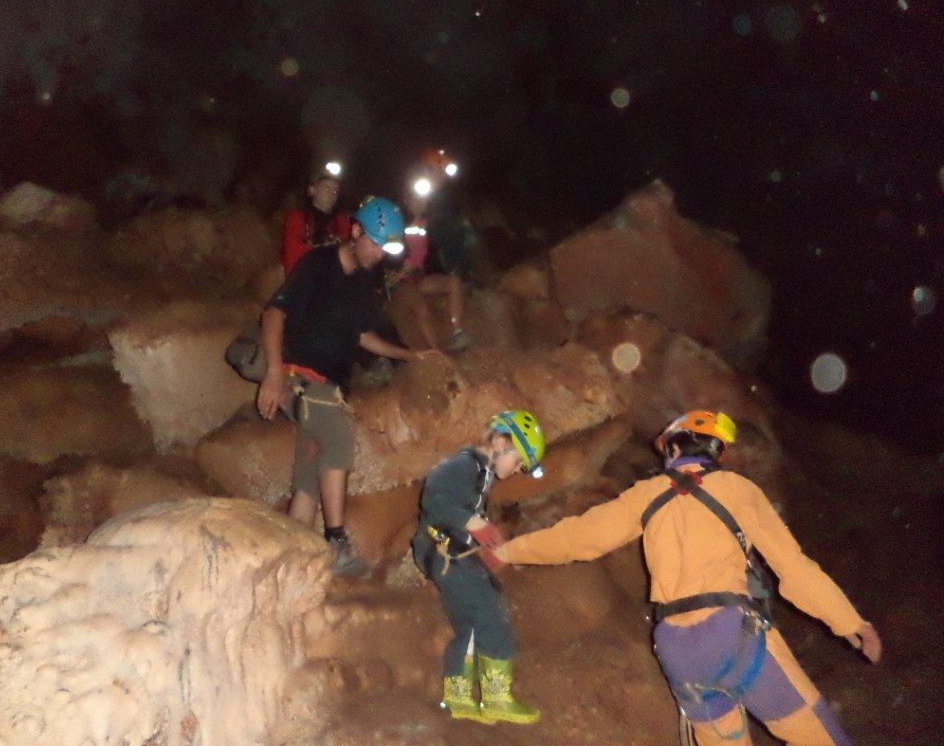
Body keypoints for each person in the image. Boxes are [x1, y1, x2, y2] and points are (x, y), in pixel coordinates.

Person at [492, 410, 882, 745]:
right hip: (733, 635)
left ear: (676, 448)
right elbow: (792, 568)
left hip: (677, 651)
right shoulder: (737, 489)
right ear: (714, 451)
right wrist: (847, 620)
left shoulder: (645, 494)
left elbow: (578, 538)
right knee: (819, 735)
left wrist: (508, 551)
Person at [258, 196, 428, 576]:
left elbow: (363, 335)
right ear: (354, 231)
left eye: (387, 247)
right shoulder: (318, 265)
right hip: (298, 376)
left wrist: (407, 355)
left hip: (330, 384)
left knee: (308, 477)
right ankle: (335, 541)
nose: (379, 253)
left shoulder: (367, 279)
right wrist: (272, 374)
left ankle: (290, 561)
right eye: (375, 242)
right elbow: (273, 313)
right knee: (339, 439)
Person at [412, 410, 546, 725]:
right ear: (500, 441)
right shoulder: (464, 465)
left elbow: (460, 514)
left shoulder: (480, 473)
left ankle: (457, 697)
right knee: (491, 615)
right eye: (518, 462)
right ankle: (497, 697)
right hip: (443, 555)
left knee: (470, 625)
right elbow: (434, 499)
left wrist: (482, 546)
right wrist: (473, 523)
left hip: (449, 555)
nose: (516, 471)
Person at [386, 191, 471, 352]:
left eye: (422, 199)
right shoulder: (397, 223)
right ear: (406, 201)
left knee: (454, 282)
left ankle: (457, 331)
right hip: (400, 280)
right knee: (421, 307)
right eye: (414, 199)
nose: (419, 202)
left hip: (420, 277)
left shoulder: (429, 225)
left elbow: (442, 248)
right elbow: (388, 253)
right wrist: (395, 271)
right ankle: (437, 354)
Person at [280, 170, 352, 274]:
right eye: (327, 188)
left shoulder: (341, 223)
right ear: (312, 190)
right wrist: (324, 251)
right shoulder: (298, 218)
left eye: (335, 191)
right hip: (302, 277)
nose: (332, 194)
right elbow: (291, 256)